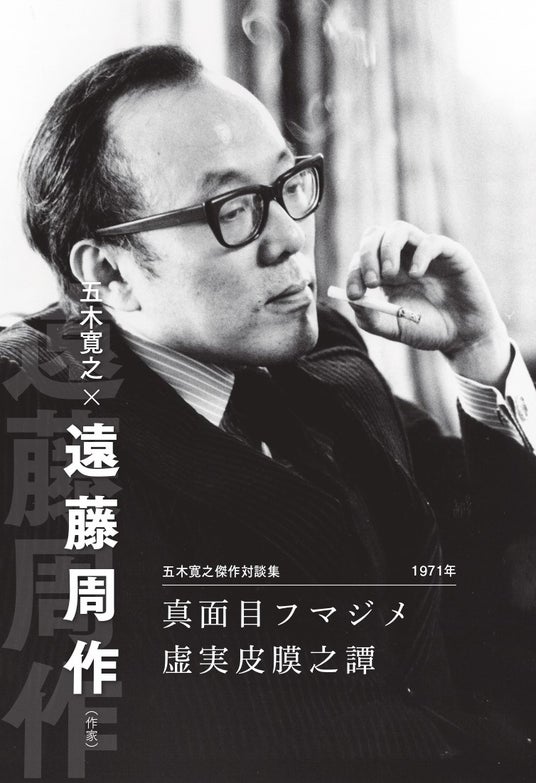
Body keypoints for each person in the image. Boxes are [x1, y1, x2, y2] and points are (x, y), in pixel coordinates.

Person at [0, 44, 535, 782]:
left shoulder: (320, 348)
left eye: (286, 184)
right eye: (232, 210)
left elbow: (490, 567)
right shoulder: (33, 425)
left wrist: (479, 352)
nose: (288, 237)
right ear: (110, 272)